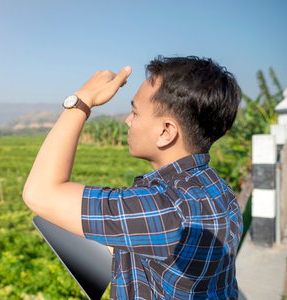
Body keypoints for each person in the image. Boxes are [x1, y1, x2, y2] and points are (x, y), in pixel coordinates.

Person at [23, 56, 243, 299]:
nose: (128, 121)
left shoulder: (166, 209)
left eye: (135, 113)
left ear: (165, 131)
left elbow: (40, 193)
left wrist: (81, 100)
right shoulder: (216, 187)